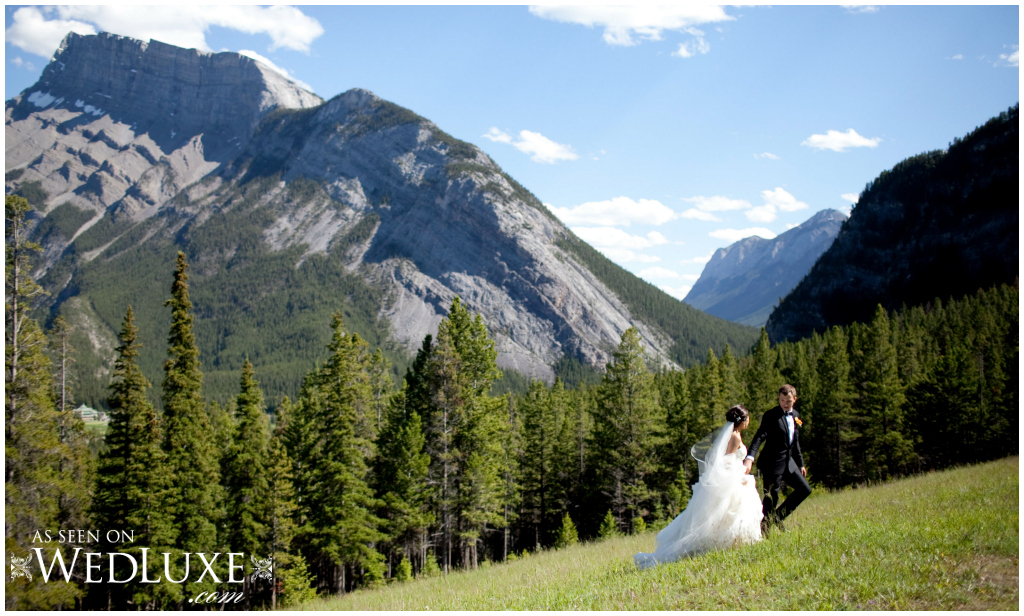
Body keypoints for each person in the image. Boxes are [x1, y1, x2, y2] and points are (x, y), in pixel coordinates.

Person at [634, 405, 762, 569]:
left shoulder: (734, 434)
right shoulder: (735, 437)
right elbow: (727, 461)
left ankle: (736, 542)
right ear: (743, 420)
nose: (749, 421)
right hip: (733, 478)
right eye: (748, 418)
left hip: (734, 476)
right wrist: (742, 471)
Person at [743, 384, 811, 533]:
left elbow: (795, 442)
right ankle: (764, 530)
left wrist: (800, 464)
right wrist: (750, 457)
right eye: (782, 401)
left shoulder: (796, 415)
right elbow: (760, 436)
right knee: (771, 498)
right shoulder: (771, 415)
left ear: (794, 400)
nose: (785, 404)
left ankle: (779, 517)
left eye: (788, 401)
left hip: (789, 463)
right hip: (771, 463)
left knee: (805, 489)